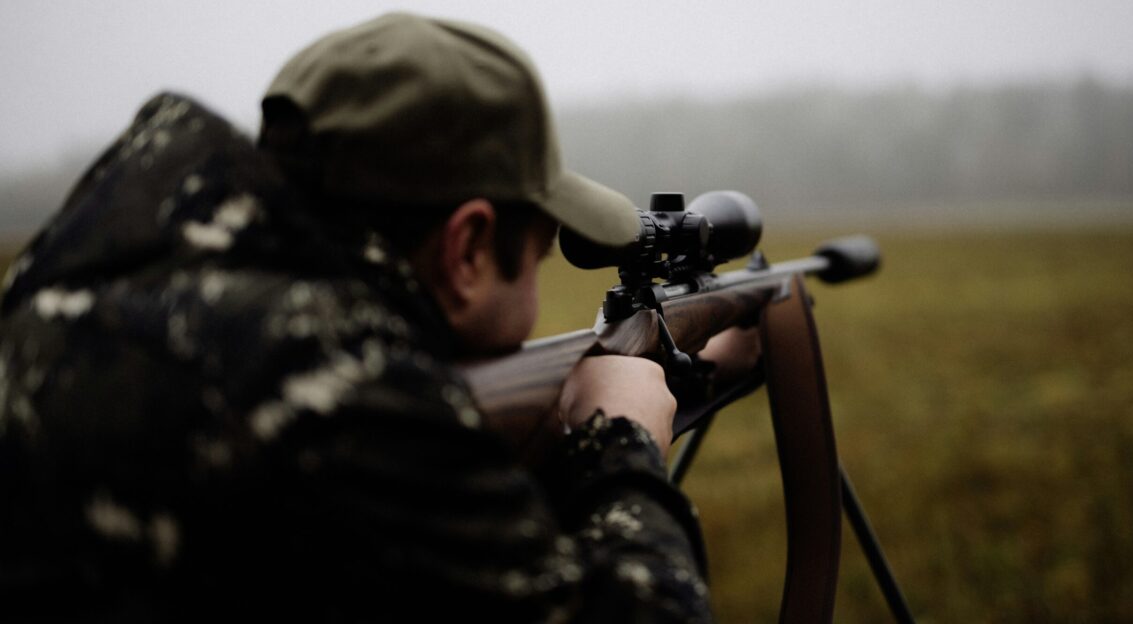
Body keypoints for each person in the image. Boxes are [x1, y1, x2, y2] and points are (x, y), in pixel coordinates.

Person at [0, 12, 757, 622]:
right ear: (466, 249)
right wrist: (623, 442)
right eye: (537, 257)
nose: (535, 287)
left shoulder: (70, 294)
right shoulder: (338, 383)